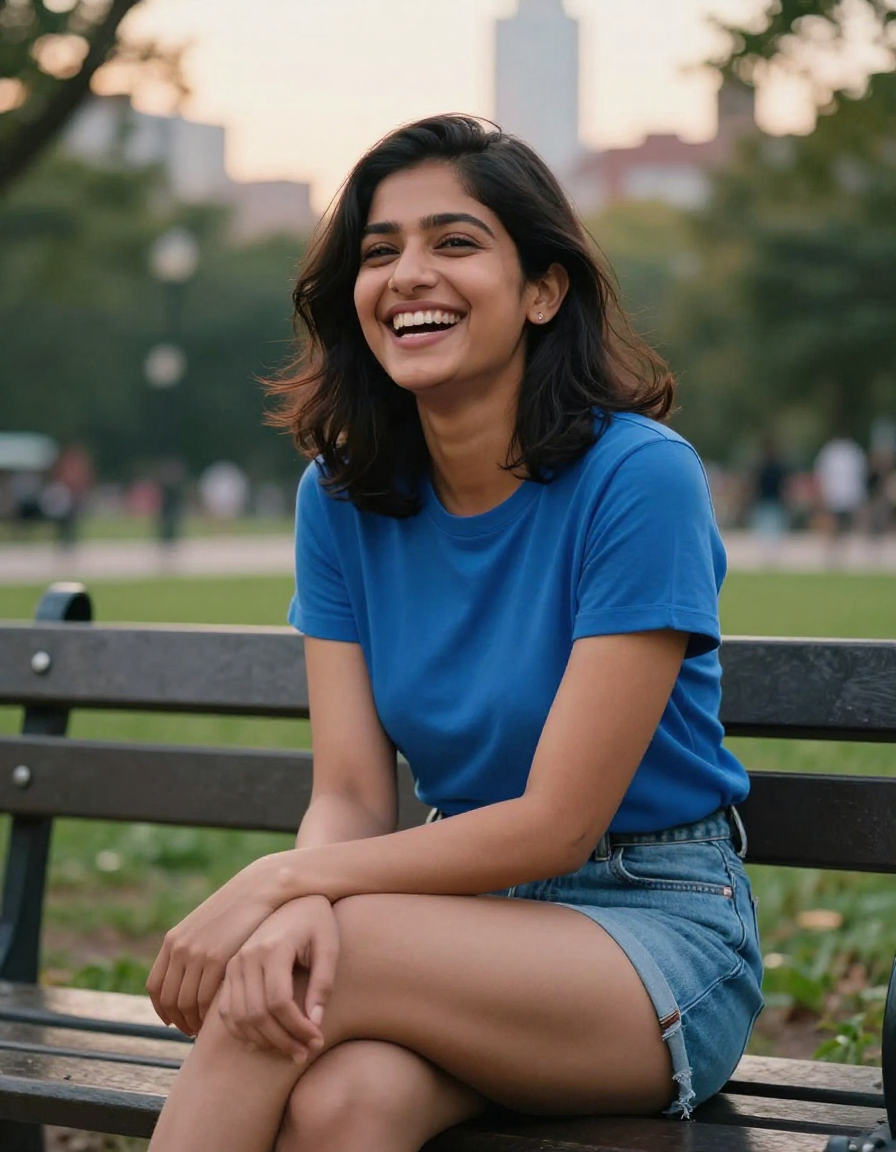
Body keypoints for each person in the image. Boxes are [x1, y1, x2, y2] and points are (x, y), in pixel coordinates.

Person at [145, 115, 763, 1152]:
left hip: (649, 931)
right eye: (378, 252)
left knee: (295, 968)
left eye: (454, 241)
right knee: (345, 1106)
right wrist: (308, 887)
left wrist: (285, 887)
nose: (406, 274)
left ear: (541, 290)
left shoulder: (638, 477)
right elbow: (347, 795)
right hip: (439, 919)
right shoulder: (337, 499)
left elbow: (558, 825)